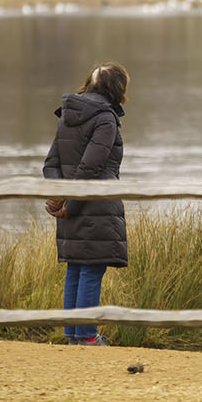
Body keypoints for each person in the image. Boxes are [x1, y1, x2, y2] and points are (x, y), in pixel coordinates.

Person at [42, 62, 130, 346]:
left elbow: (51, 164)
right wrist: (70, 203)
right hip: (95, 205)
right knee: (91, 269)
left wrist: (59, 197)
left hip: (72, 204)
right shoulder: (105, 119)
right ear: (117, 89)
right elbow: (91, 168)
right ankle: (87, 338)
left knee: (77, 268)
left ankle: (73, 336)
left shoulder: (67, 116)